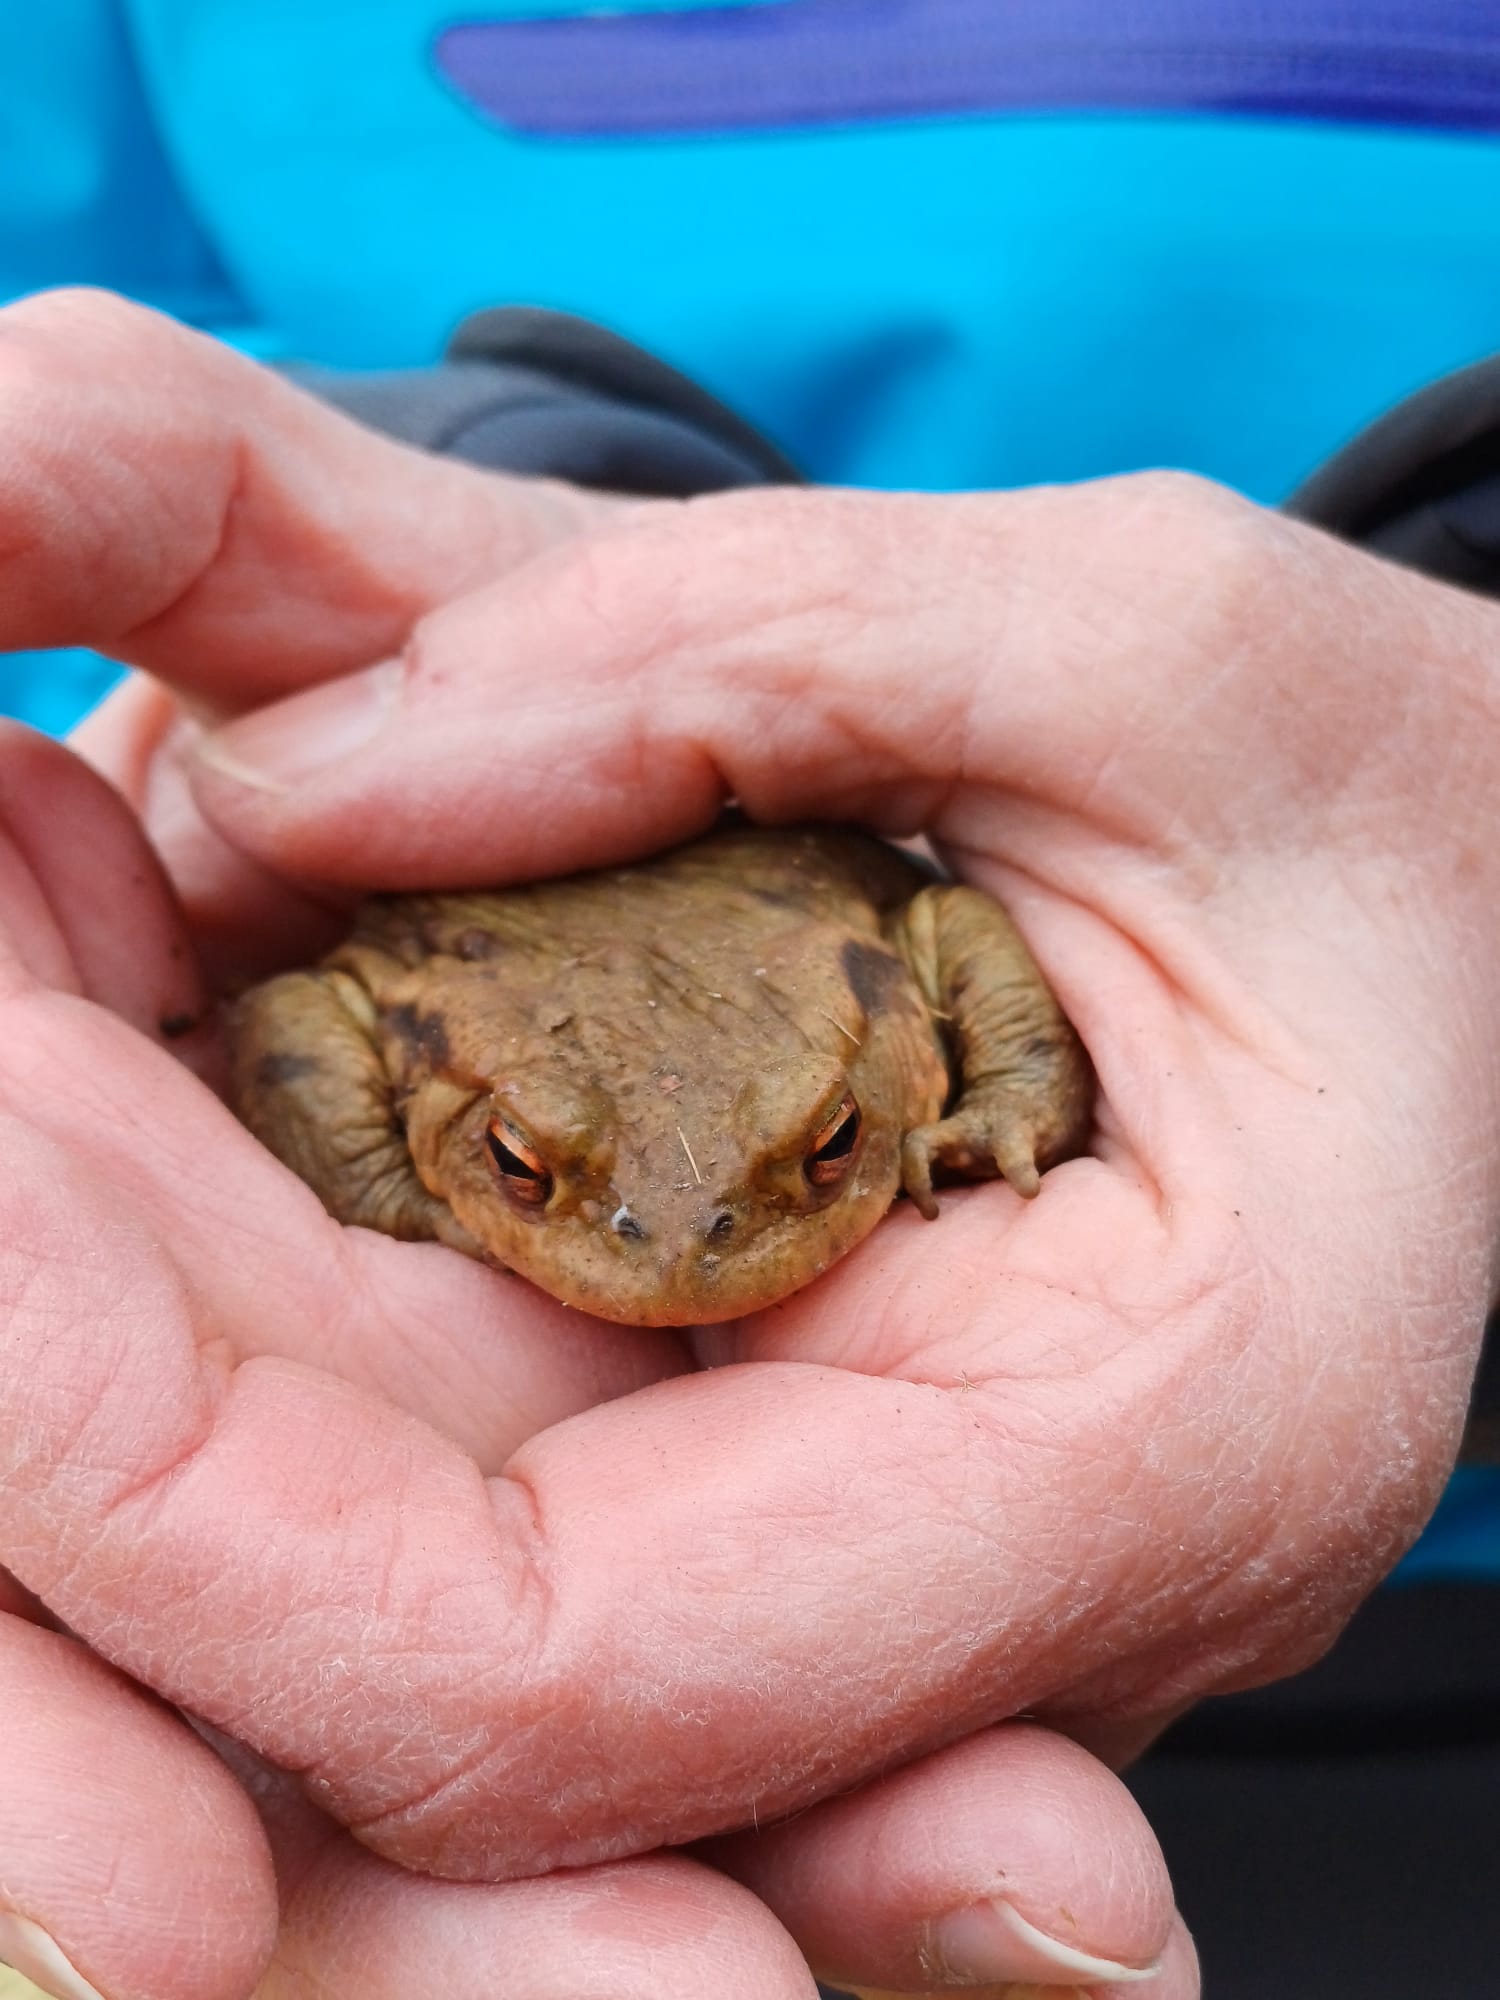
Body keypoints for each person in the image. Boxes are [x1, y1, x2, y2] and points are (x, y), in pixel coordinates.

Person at [2, 10, 1500, 1999]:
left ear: (860, 1104)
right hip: (496, 806)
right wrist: (370, 583)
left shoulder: (870, 999)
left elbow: (959, 942)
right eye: (548, 1180)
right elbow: (307, 1003)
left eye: (814, 1170)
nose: (678, 1248)